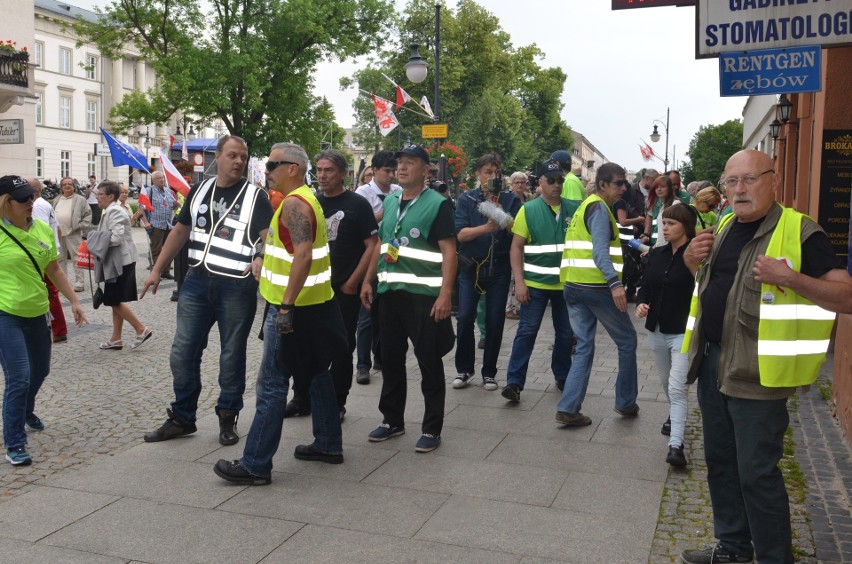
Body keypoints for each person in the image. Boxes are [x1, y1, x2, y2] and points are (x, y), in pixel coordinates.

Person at [677, 149, 852, 564]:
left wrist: (790, 278)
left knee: (756, 474)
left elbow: (846, 295)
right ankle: (733, 548)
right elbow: (714, 289)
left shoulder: (801, 231)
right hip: (714, 362)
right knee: (720, 462)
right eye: (731, 182)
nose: (739, 190)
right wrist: (689, 262)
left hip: (760, 375)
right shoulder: (723, 226)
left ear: (774, 181)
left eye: (750, 179)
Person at [214, 142, 347, 485]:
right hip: (312, 304)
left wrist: (285, 306)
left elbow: (302, 256)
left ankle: (256, 463)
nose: (267, 169)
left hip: (292, 309)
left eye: (273, 164)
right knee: (317, 373)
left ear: (293, 168)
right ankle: (329, 443)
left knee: (272, 384)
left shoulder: (294, 203)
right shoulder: (303, 198)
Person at [141, 136, 274, 446]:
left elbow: (269, 237)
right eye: (232, 155)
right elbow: (180, 230)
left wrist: (260, 255)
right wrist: (157, 269)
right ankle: (183, 417)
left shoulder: (257, 196)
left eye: (243, 156)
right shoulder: (200, 189)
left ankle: (228, 417)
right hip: (197, 283)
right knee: (182, 352)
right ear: (218, 157)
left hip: (237, 287)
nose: (239, 161)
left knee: (231, 355)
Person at [360, 145, 456, 453]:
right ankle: (392, 420)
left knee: (428, 360)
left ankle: (432, 427)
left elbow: (449, 253)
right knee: (390, 359)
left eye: (410, 163)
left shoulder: (438, 204)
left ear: (425, 170)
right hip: (389, 295)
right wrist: (368, 280)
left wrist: (445, 295)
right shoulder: (390, 201)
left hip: (423, 297)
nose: (402, 168)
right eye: (400, 163)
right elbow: (382, 244)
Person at [284, 150, 379, 420]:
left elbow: (372, 245)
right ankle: (302, 397)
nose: (323, 175)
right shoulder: (310, 202)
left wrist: (354, 282)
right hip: (313, 289)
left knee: (340, 347)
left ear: (342, 174)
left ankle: (337, 401)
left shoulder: (357, 204)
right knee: (306, 346)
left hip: (342, 290)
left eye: (329, 171)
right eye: (320, 170)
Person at [0, 175, 87, 466]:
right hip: (6, 314)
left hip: (37, 311)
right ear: (5, 203)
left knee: (41, 370)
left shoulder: (41, 229)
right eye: (22, 198)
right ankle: (14, 441)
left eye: (31, 196)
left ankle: (25, 411)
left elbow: (53, 268)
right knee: (19, 378)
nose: (30, 201)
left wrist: (74, 302)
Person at [555, 163, 638, 426]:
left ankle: (568, 408)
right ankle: (625, 403)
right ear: (602, 184)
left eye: (625, 183)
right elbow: (600, 253)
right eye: (618, 183)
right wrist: (615, 284)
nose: (624, 187)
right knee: (627, 341)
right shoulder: (600, 210)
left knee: (584, 347)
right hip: (597, 287)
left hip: (573, 286)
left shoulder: (585, 206)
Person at [502, 160, 573, 402]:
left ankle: (563, 376)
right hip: (535, 285)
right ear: (540, 183)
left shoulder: (574, 208)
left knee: (565, 334)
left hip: (566, 285)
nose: (556, 185)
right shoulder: (528, 210)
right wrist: (519, 283)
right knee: (527, 332)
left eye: (560, 180)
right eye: (551, 180)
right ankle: (514, 382)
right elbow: (516, 248)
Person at [635, 204, 697, 467]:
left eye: (671, 223)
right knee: (664, 381)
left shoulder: (695, 254)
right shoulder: (657, 253)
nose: (666, 228)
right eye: (664, 223)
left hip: (683, 330)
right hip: (657, 328)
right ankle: (674, 414)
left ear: (685, 225)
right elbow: (646, 285)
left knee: (676, 385)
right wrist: (641, 302)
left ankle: (676, 445)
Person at [452, 153, 521, 391]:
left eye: (496, 173)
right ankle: (464, 369)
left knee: (494, 321)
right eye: (488, 173)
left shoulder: (511, 199)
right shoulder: (467, 199)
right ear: (478, 175)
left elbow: (518, 232)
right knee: (464, 318)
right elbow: (460, 234)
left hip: (499, 268)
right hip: (470, 266)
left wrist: (502, 215)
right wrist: (486, 227)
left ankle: (489, 372)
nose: (492, 177)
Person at [88, 181, 152, 351]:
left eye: (100, 194)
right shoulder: (109, 210)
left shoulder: (114, 211)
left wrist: (95, 241)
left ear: (110, 196)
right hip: (120, 261)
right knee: (115, 299)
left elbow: (116, 237)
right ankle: (116, 339)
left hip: (120, 262)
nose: (97, 196)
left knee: (113, 300)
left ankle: (141, 329)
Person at [28, 178, 67, 344]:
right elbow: (57, 230)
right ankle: (57, 329)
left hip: (43, 258)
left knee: (50, 294)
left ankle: (58, 330)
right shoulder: (45, 203)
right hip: (50, 253)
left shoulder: (36, 206)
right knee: (51, 293)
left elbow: (39, 234)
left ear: (35, 191)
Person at [52, 176, 92, 292]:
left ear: (74, 186)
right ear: (61, 187)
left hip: (73, 233)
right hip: (58, 234)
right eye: (64, 184)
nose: (67, 186)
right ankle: (63, 283)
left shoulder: (80, 199)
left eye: (70, 184)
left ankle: (79, 282)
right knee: (60, 259)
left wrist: (80, 226)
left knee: (76, 258)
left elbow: (88, 215)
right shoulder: (56, 199)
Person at [141, 171, 179, 280]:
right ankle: (155, 272)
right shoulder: (149, 191)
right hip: (156, 224)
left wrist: (175, 205)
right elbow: (141, 207)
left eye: (163, 178)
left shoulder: (168, 191)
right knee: (156, 249)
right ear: (153, 180)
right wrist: (146, 222)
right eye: (159, 178)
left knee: (169, 249)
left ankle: (165, 271)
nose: (162, 180)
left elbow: (172, 206)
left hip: (168, 224)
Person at [505, 171, 532, 319]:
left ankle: (520, 305)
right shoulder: (508, 200)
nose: (520, 185)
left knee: (522, 274)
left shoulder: (530, 200)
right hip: (512, 242)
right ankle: (509, 306)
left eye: (523, 182)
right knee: (511, 276)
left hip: (527, 243)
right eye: (517, 182)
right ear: (512, 184)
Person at [641, 174, 678, 247]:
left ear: (669, 188)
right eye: (656, 187)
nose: (659, 189)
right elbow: (649, 217)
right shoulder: (655, 202)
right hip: (657, 243)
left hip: (668, 246)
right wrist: (646, 234)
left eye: (663, 187)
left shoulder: (675, 204)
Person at [550, 150, 584, 218]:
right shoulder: (568, 179)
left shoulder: (570, 181)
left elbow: (575, 208)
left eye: (551, 164)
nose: (550, 167)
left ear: (557, 164)